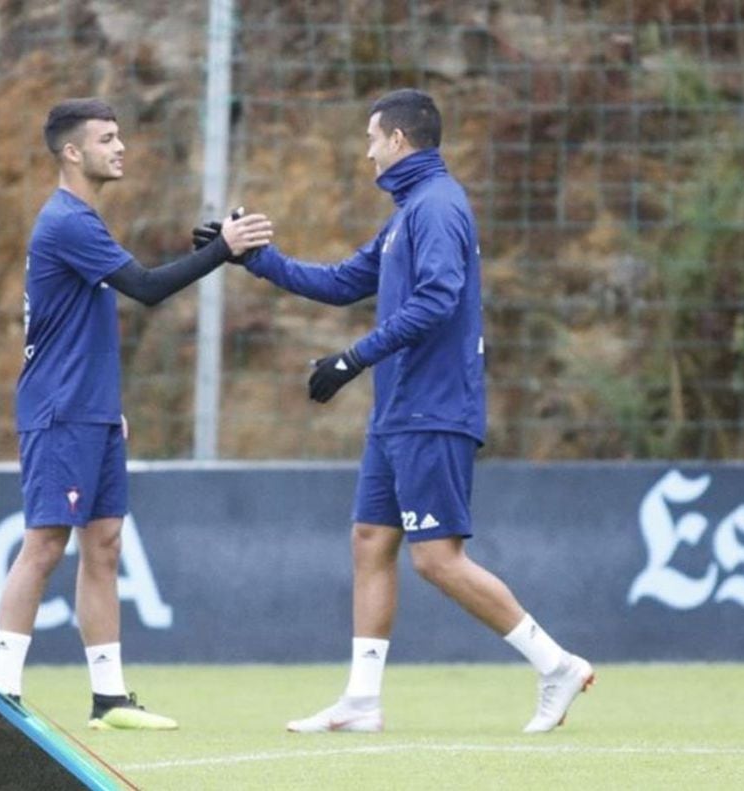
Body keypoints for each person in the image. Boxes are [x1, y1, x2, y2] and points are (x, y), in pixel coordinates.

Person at [195, 88, 593, 734]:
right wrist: (253, 259)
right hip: (399, 412)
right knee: (371, 540)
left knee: (436, 558)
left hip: (434, 409)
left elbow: (439, 299)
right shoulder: (409, 210)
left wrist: (352, 360)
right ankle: (361, 699)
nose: (367, 150)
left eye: (373, 138)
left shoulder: (437, 206)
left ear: (400, 141)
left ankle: (556, 664)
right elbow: (345, 280)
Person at [0, 98, 273, 730]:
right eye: (108, 138)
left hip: (91, 412)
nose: (121, 147)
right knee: (43, 543)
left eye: (120, 136)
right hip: (59, 412)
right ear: (73, 152)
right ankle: (1, 697)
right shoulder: (66, 221)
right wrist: (223, 248)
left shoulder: (84, 220)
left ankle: (109, 698)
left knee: (106, 544)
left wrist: (106, 407)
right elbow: (146, 287)